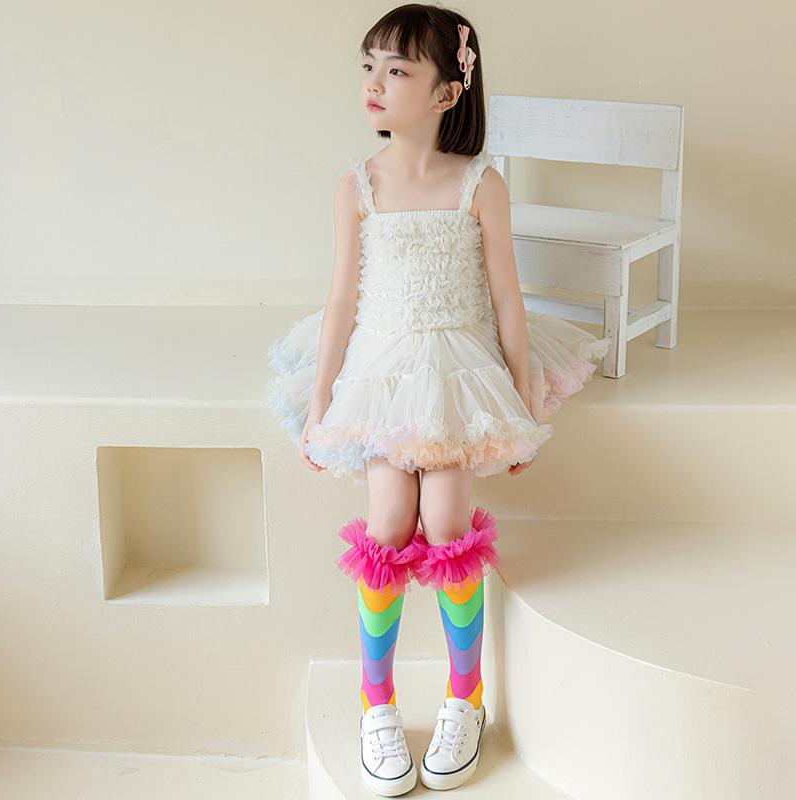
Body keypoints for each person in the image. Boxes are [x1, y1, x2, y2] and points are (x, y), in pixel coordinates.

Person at [266, 4, 611, 794]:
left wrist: (523, 398)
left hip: (458, 369)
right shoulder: (357, 186)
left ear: (448, 92)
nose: (374, 83)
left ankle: (465, 696)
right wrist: (320, 403)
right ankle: (376, 702)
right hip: (383, 369)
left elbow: (507, 297)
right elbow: (342, 301)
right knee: (389, 519)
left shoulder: (480, 184)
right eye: (369, 66)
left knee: (449, 521)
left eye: (397, 70)